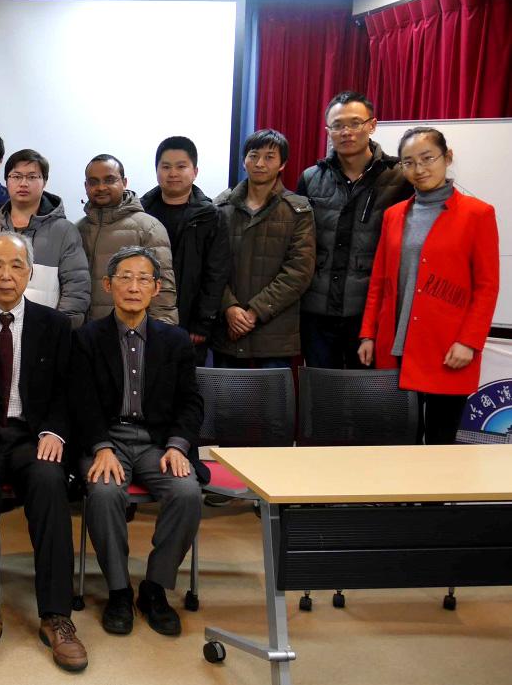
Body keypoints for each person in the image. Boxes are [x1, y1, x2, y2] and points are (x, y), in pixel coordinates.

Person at [0, 231, 87, 672]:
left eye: (16, 267)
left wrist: (56, 434)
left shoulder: (55, 324)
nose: (6, 276)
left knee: (48, 481)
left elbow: (69, 392)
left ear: (31, 273)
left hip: (32, 435)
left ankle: (56, 616)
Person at [72, 246, 205, 639]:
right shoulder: (87, 339)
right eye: (124, 278)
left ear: (156, 288)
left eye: (143, 278)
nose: (133, 286)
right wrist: (101, 447)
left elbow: (191, 401)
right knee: (105, 492)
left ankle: (154, 588)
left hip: (158, 443)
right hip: (106, 441)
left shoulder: (176, 340)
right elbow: (79, 402)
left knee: (186, 492)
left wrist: (179, 446)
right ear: (108, 285)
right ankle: (117, 590)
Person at [358, 127, 499, 444]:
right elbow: (380, 280)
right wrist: (368, 333)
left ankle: (432, 498)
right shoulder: (395, 214)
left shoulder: (478, 214)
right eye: (408, 162)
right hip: (395, 347)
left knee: (439, 441)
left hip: (448, 350)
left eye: (427, 158)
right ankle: (397, 497)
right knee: (398, 439)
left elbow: (487, 287)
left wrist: (469, 341)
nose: (419, 170)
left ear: (447, 158)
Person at [297, 91, 413, 368]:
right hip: (317, 313)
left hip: (370, 315)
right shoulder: (311, 178)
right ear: (328, 131)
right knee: (322, 400)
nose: (346, 132)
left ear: (372, 125)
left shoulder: (399, 177)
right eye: (337, 125)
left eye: (355, 123)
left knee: (366, 402)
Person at [212, 130, 316, 368]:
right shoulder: (220, 207)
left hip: (274, 333)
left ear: (282, 164)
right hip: (226, 329)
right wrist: (229, 308)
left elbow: (298, 272)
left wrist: (253, 313)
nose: (259, 163)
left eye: (269, 157)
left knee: (271, 405)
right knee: (225, 404)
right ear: (244, 160)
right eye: (253, 155)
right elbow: (210, 265)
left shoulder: (298, 210)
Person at [0, 149, 91, 328]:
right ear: (6, 180)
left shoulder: (64, 231)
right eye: (16, 176)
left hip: (45, 334)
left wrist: (59, 332)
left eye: (32, 177)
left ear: (44, 181)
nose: (23, 183)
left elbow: (76, 289)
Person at [140, 137, 229, 362]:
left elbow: (216, 274)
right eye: (166, 166)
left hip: (191, 323)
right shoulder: (140, 212)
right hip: (144, 318)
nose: (173, 173)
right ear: (156, 170)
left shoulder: (211, 215)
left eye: (181, 166)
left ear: (195, 171)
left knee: (184, 387)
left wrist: (202, 324)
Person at [77, 154, 177, 324]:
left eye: (109, 180)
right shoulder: (77, 229)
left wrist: (161, 337)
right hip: (87, 336)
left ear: (124, 183)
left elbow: (163, 291)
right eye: (93, 182)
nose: (101, 187)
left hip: (134, 334)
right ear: (86, 186)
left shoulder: (148, 228)